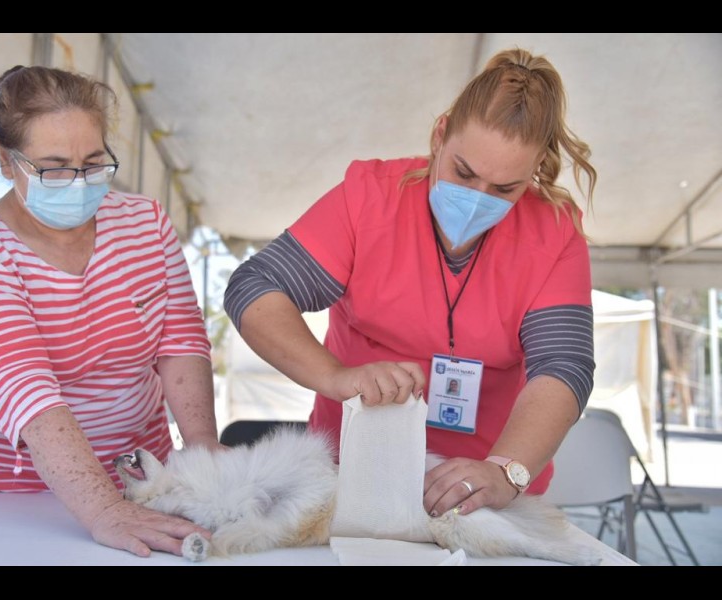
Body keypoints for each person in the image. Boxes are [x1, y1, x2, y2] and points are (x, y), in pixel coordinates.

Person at [224, 48, 596, 519]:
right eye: (464, 172)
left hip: (482, 498)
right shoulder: (371, 198)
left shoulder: (555, 232)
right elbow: (255, 287)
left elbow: (563, 365)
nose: (477, 198)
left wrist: (506, 471)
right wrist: (336, 377)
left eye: (505, 189)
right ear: (440, 134)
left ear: (536, 168)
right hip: (348, 472)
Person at [0, 66, 221, 557]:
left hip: (140, 474)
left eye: (93, 163)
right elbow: (26, 393)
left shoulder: (146, 224)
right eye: (53, 167)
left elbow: (180, 343)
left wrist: (202, 453)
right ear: (7, 160)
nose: (78, 183)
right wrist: (103, 509)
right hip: (7, 493)